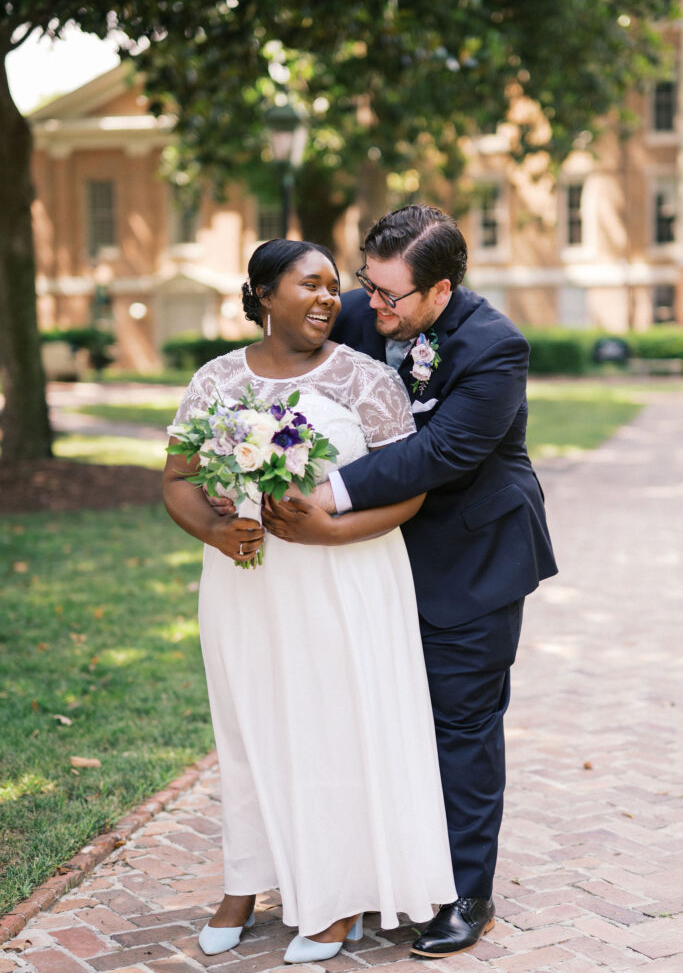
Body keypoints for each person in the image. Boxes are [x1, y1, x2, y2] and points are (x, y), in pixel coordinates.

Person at [262, 205, 557, 957]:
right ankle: (373, 874)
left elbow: (440, 453)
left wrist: (324, 495)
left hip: (472, 560)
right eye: (369, 286)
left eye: (391, 296)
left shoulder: (495, 346)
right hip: (369, 566)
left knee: (459, 727)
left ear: (440, 291)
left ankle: (464, 893)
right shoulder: (360, 312)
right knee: (373, 718)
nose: (371, 307)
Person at [162, 238, 456, 965]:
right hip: (247, 582)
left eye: (335, 287)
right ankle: (247, 881)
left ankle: (337, 898)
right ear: (263, 294)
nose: (330, 298)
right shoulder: (215, 380)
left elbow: (408, 490)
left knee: (334, 727)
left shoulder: (364, 380)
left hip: (343, 577)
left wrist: (330, 532)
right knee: (250, 727)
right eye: (310, 284)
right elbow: (177, 480)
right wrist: (216, 531)